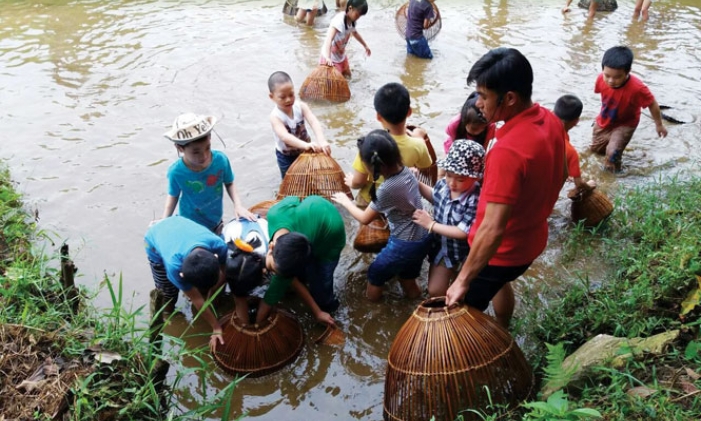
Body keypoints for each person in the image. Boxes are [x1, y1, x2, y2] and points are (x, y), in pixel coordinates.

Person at [445, 47, 567, 329]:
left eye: (484, 96)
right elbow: (560, 174)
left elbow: (493, 228)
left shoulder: (508, 151)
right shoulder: (550, 120)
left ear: (509, 98)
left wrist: (463, 280)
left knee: (460, 313)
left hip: (501, 253)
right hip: (532, 240)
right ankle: (503, 327)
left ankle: (475, 356)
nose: (477, 103)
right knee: (501, 284)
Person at [333, 130, 430, 301]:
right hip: (421, 238)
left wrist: (345, 202)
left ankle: (373, 309)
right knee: (407, 278)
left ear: (373, 167)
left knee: (375, 274)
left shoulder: (388, 188)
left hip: (403, 243)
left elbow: (365, 218)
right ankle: (416, 304)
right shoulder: (407, 171)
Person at [254, 195, 345, 327]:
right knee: (301, 278)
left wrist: (318, 312)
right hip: (315, 205)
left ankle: (329, 309)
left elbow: (270, 297)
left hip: (331, 238)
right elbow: (293, 200)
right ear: (271, 246)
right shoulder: (274, 214)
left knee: (321, 290)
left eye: (274, 270)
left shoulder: (289, 258)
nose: (273, 273)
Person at [412, 139, 484, 298]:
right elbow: (434, 196)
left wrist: (430, 224)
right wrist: (416, 183)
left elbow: (463, 232)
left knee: (464, 291)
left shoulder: (475, 198)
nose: (452, 183)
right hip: (442, 249)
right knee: (435, 291)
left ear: (476, 178)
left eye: (460, 179)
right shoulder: (444, 185)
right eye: (449, 175)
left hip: (465, 252)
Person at [145, 215, 229, 350]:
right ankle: (167, 314)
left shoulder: (219, 245)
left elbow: (225, 272)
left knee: (203, 288)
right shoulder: (174, 266)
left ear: (215, 257)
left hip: (178, 225)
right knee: (168, 292)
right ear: (182, 275)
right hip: (155, 239)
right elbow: (197, 299)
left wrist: (212, 292)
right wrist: (216, 327)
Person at [162, 113, 255, 233]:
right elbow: (173, 196)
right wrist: (164, 221)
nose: (204, 156)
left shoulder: (220, 160)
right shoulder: (176, 172)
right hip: (190, 225)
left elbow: (229, 183)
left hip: (216, 221)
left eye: (207, 148)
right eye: (196, 152)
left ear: (210, 138)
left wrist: (238, 205)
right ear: (180, 148)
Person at [346, 82, 433, 207]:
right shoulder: (418, 145)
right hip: (400, 201)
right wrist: (419, 138)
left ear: (378, 116)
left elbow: (359, 181)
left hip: (370, 202)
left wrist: (351, 182)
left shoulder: (370, 144)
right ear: (409, 112)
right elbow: (426, 166)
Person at [590, 46, 667, 173]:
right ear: (602, 69)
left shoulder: (637, 88)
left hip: (626, 124)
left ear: (628, 72)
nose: (611, 81)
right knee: (595, 150)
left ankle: (611, 178)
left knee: (612, 154)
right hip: (605, 119)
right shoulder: (600, 79)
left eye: (617, 77)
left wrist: (659, 124)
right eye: (607, 75)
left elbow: (652, 104)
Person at [268, 71, 330, 179]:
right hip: (286, 156)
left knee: (310, 177)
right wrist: (305, 145)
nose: (288, 99)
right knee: (290, 181)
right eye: (282, 97)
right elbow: (284, 136)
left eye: (291, 94)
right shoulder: (275, 117)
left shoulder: (301, 107)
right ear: (271, 97)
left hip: (306, 150)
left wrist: (322, 140)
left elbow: (314, 122)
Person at [222, 217, 269, 325]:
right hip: (235, 226)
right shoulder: (228, 249)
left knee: (268, 284)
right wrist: (245, 325)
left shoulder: (268, 253)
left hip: (261, 225)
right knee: (238, 292)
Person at [553, 94, 597, 193]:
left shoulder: (539, 129)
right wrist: (589, 186)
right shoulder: (570, 152)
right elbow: (579, 183)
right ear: (576, 121)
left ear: (552, 113)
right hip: (545, 196)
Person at [320, 0, 371, 78]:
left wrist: (365, 46)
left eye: (360, 16)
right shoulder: (339, 21)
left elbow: (355, 33)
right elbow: (329, 39)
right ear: (350, 8)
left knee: (348, 76)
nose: (358, 18)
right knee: (336, 82)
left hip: (341, 55)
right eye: (357, 15)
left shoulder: (352, 21)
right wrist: (327, 57)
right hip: (331, 58)